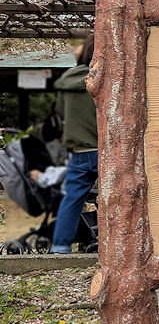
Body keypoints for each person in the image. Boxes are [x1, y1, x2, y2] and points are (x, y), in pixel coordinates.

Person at [50, 35, 98, 254]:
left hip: (78, 150)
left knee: (72, 199)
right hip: (104, 149)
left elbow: (60, 113)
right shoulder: (104, 79)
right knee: (115, 196)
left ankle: (60, 247)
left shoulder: (66, 79)